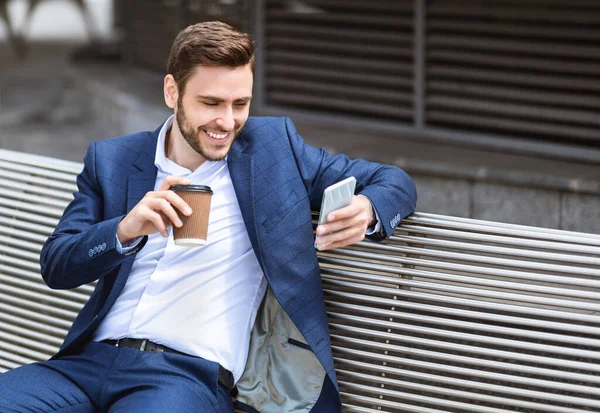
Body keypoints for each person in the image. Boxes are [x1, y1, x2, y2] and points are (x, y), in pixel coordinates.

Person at [0, 21, 416, 412]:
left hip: (183, 376)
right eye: (211, 103)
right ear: (171, 92)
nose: (227, 121)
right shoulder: (114, 159)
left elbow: (392, 180)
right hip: (86, 365)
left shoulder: (275, 150)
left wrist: (369, 209)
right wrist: (127, 229)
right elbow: (57, 264)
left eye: (241, 104)